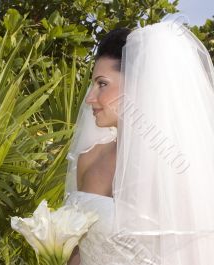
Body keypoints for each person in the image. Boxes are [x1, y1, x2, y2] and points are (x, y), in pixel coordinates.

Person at [66, 19, 214, 265]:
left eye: (102, 84)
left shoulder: (177, 167)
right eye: (93, 85)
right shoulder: (88, 159)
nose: (90, 98)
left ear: (140, 85)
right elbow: (77, 254)